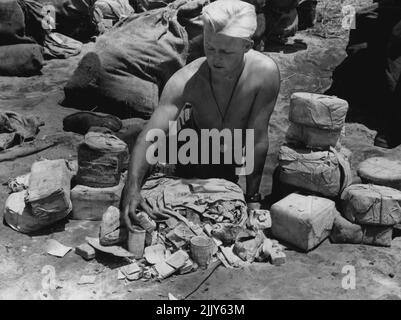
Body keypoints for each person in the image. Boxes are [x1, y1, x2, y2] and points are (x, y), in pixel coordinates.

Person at [121, 0, 280, 231]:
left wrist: (253, 197)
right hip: (194, 147)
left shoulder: (265, 74)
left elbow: (257, 138)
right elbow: (150, 136)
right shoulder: (186, 80)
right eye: (210, 47)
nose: (216, 58)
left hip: (232, 153)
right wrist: (131, 189)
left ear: (247, 46)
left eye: (226, 51)